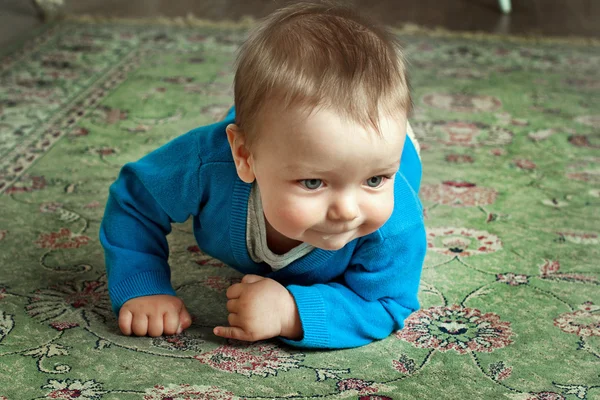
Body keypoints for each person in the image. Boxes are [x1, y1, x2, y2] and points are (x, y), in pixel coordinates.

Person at [99, 1, 426, 349]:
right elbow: (135, 200)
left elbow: (387, 303)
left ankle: (393, 148)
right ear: (243, 156)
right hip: (264, 140)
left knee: (359, 149)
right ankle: (263, 129)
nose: (347, 211)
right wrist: (143, 285)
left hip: (388, 152)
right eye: (313, 182)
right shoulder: (207, 163)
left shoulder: (395, 228)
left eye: (375, 180)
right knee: (272, 122)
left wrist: (292, 312)